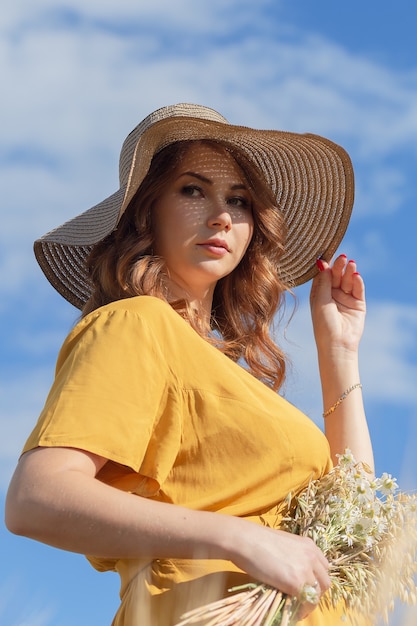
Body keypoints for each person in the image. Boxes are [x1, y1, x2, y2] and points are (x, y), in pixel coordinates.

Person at [5, 103, 373, 626]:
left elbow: (359, 520)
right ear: (144, 210)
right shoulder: (136, 324)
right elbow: (36, 497)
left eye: (239, 200)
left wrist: (339, 351)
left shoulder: (233, 379)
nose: (222, 215)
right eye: (193, 190)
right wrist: (237, 536)